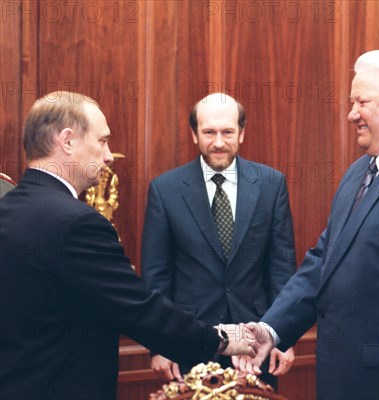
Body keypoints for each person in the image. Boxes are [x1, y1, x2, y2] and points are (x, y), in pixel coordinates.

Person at [0, 91, 257, 400]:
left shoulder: (8, 207)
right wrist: (219, 338)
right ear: (67, 141)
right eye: (102, 141)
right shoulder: (78, 223)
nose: (109, 156)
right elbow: (138, 309)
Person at [237, 49, 379, 399]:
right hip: (342, 375)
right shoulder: (357, 173)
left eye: (361, 101)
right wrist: (271, 329)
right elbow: (323, 260)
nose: (352, 115)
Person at [141, 93, 296, 386]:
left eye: (228, 132)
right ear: (194, 134)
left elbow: (281, 267)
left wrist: (283, 335)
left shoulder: (271, 184)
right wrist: (159, 344)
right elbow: (156, 276)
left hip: (256, 343)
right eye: (209, 132)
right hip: (188, 342)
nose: (219, 142)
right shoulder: (166, 189)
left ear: (242, 133)